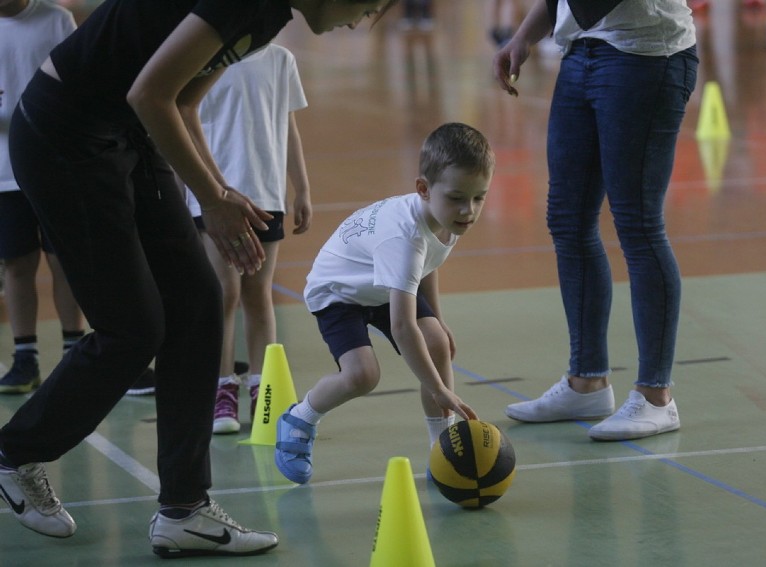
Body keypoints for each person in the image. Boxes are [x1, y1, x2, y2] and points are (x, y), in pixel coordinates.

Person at [0, 0, 398, 558]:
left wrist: (221, 190)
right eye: (370, 4)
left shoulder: (270, 15)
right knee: (133, 329)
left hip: (130, 134)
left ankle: (184, 509)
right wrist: (211, 200)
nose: (365, 18)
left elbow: (184, 101)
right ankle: (13, 453)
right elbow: (150, 93)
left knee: (198, 303)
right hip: (66, 133)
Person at [493, 0, 698, 441]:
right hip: (581, 53)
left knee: (639, 226)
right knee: (568, 221)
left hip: (645, 55)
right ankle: (586, 381)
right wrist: (523, 36)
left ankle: (656, 396)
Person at [275, 122, 487, 484]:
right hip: (340, 291)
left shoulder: (447, 219)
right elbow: (403, 326)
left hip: (384, 285)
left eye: (479, 197)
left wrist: (436, 318)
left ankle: (441, 453)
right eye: (457, 198)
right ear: (423, 189)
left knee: (436, 341)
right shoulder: (403, 238)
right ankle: (300, 417)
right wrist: (440, 389)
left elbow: (427, 264)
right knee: (362, 375)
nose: (468, 209)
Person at [185, 43, 312, 434]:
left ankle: (263, 390)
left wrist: (301, 187)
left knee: (258, 294)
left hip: (265, 194)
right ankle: (222, 390)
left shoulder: (281, 58)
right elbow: (185, 127)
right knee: (225, 293)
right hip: (215, 198)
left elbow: (287, 126)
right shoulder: (201, 56)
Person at [0, 0, 82, 396]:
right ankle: (25, 357)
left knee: (63, 258)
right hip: (2, 172)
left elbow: (79, 83)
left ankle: (74, 348)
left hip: (54, 164)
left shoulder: (56, 20)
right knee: (17, 263)